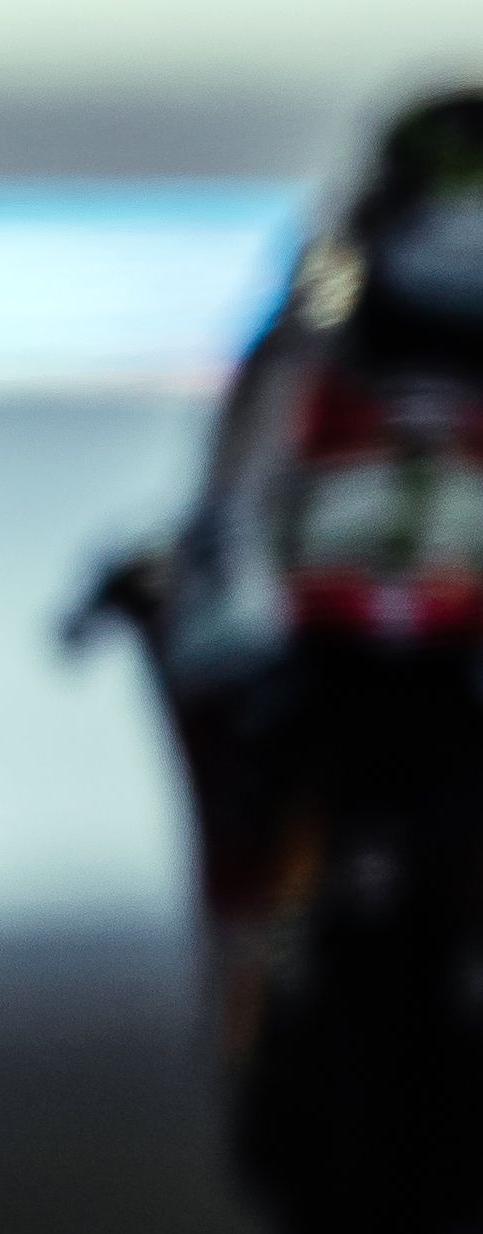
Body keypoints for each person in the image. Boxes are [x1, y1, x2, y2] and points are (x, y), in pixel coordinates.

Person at [104, 88, 483, 1075]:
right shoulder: (322, 304)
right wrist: (196, 582)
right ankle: (250, 983)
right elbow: (243, 471)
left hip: (424, 655)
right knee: (237, 766)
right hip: (316, 648)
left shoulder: (322, 299)